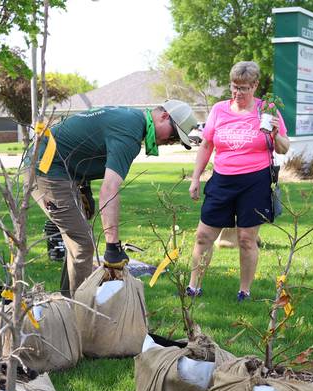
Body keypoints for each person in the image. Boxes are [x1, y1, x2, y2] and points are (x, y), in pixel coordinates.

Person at [29, 100, 199, 296]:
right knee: (82, 243)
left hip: (60, 171)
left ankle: (67, 302)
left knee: (78, 241)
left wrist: (83, 186)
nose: (172, 141)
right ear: (164, 116)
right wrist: (113, 246)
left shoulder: (130, 118)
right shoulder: (130, 132)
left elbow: (84, 144)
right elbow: (109, 189)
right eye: (174, 134)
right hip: (46, 169)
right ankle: (77, 313)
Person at [186, 61, 289, 302]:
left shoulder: (269, 109)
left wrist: (275, 134)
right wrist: (195, 178)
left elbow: (284, 148)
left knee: (246, 239)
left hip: (256, 181)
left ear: (254, 86)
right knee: (203, 236)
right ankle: (193, 287)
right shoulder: (219, 110)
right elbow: (207, 145)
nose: (237, 93)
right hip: (222, 180)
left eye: (243, 88)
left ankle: (244, 291)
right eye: (234, 87)